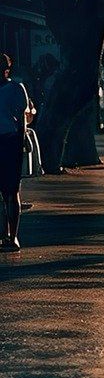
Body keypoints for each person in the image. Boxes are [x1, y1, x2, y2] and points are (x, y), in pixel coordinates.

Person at [0, 52, 31, 251]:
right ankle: (3, 234)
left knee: (11, 192)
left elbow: (22, 122)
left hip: (10, 142)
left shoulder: (16, 89)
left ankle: (13, 236)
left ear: (6, 69)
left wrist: (21, 145)